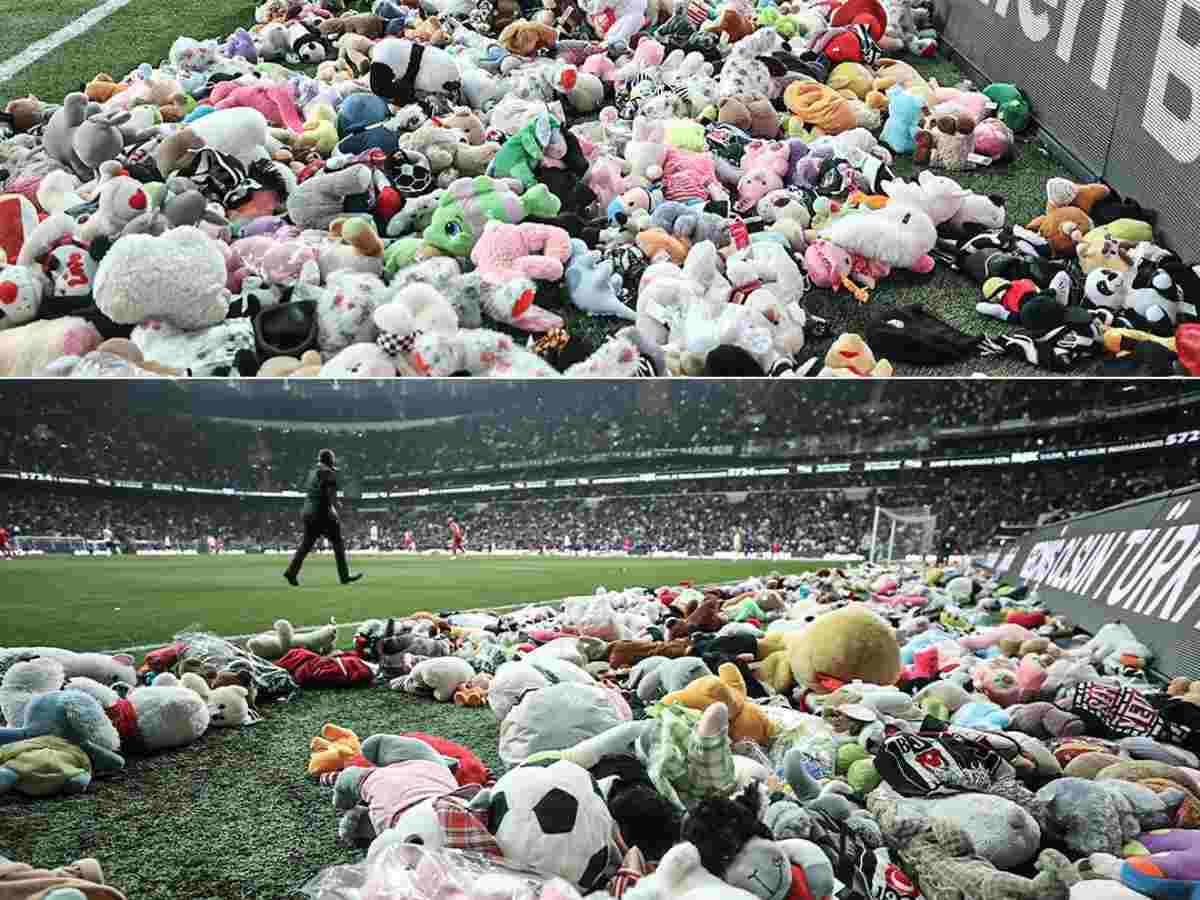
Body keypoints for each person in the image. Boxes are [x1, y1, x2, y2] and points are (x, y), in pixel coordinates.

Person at [284, 449, 363, 587]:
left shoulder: (312, 472)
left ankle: (291, 572)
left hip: (308, 511)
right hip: (322, 513)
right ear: (329, 460)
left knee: (306, 545)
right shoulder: (328, 473)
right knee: (338, 543)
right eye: (333, 459)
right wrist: (336, 506)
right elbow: (329, 494)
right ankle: (344, 576)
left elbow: (311, 489)